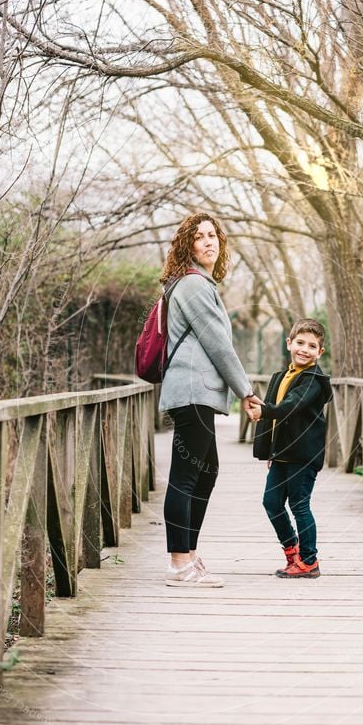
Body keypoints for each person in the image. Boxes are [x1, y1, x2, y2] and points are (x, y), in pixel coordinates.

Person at [158, 213, 262, 588]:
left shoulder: (197, 284)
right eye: (199, 237)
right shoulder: (194, 286)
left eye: (212, 235)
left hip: (195, 393)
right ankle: (178, 563)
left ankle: (189, 553)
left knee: (207, 471)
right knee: (186, 477)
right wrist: (247, 392)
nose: (208, 242)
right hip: (192, 393)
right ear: (187, 246)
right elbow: (220, 345)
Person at [249, 318, 333, 578]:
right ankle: (292, 550)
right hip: (283, 455)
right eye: (300, 343)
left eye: (312, 346)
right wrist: (272, 451)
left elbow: (292, 406)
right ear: (289, 344)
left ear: (320, 352)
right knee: (271, 502)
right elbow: (278, 421)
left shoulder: (313, 380)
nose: (304, 349)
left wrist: (263, 411)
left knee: (299, 505)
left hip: (304, 455)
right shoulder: (281, 376)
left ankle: (309, 560)